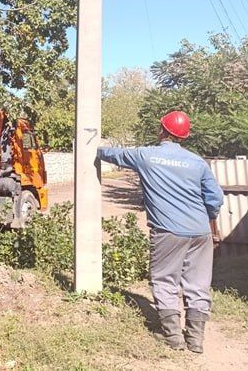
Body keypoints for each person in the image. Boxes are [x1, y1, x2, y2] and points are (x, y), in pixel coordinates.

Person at [95, 111, 224, 354]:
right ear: (184, 137)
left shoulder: (146, 156)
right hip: (200, 231)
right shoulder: (197, 162)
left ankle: (174, 338)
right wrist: (208, 217)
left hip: (167, 231)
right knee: (198, 283)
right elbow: (215, 198)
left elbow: (116, 154)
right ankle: (196, 341)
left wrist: (95, 148)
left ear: (162, 131)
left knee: (165, 279)